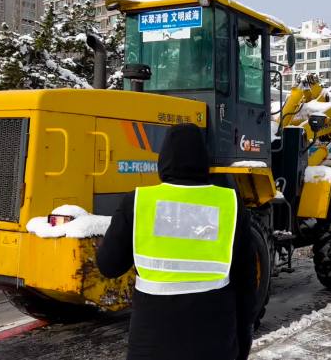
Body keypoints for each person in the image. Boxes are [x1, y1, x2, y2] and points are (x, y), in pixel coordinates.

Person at [96, 124, 256, 360]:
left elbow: (108, 266)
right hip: (214, 343)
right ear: (204, 159)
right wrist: (242, 342)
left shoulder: (139, 201)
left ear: (163, 160)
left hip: (151, 344)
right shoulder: (230, 204)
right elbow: (246, 285)